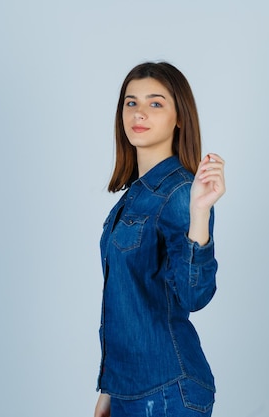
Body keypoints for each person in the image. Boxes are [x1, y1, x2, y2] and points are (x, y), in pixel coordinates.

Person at [94, 62, 226, 417]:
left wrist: (199, 214)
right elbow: (127, 299)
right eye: (130, 102)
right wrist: (109, 393)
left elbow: (193, 296)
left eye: (155, 104)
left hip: (166, 391)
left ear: (179, 117)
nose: (139, 113)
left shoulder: (183, 191)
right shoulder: (134, 196)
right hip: (127, 390)